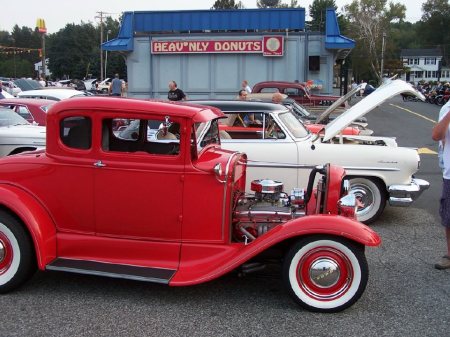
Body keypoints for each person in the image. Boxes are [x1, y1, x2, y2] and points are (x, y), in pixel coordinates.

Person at [432, 99, 450, 269]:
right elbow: (437, 136)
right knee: (449, 217)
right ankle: (449, 255)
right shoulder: (446, 108)